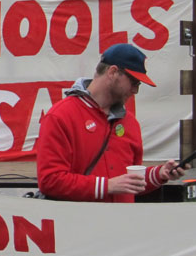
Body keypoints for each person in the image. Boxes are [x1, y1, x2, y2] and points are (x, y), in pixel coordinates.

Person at [36, 43, 187, 202]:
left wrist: (159, 174)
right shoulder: (61, 116)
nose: (135, 90)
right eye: (134, 82)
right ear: (113, 72)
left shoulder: (130, 122)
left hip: (122, 223)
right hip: (81, 223)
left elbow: (129, 183)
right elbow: (50, 181)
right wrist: (107, 186)